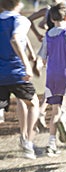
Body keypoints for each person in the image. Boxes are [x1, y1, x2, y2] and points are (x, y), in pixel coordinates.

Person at [38, 3, 66, 156]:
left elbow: (42, 57)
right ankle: (65, 118)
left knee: (55, 109)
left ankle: (51, 144)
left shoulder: (48, 35)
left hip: (51, 75)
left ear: (51, 18)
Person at [0, 0, 40, 159]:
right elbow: (16, 39)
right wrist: (27, 65)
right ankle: (27, 142)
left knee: (2, 107)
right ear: (18, 3)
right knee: (33, 103)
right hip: (17, 73)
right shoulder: (21, 20)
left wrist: (30, 51)